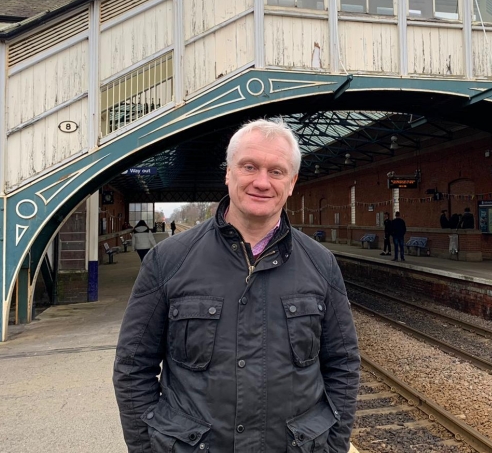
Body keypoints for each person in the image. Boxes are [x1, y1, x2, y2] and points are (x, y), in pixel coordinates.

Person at [113, 119, 360, 453]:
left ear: (291, 183)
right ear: (228, 173)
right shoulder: (167, 261)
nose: (262, 182)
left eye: (276, 171)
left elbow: (343, 365)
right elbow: (132, 367)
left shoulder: (321, 263)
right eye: (249, 166)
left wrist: (333, 447)